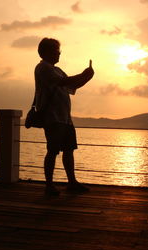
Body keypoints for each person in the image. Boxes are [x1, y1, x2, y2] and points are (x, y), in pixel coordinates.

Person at [35, 38, 94, 196]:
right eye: (56, 50)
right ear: (46, 52)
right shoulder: (43, 68)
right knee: (53, 150)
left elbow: (71, 85)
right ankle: (49, 185)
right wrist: (83, 74)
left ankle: (71, 182)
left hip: (64, 117)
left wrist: (87, 77)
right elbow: (64, 82)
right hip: (52, 117)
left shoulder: (57, 69)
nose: (59, 53)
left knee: (68, 150)